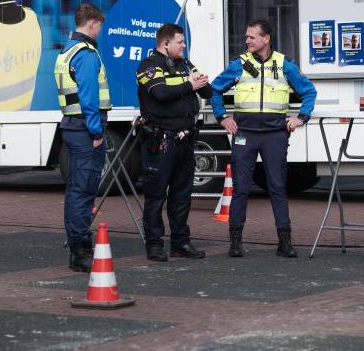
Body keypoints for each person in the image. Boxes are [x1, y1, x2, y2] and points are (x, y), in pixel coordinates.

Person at [210, 19, 317, 258]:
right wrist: (222, 117)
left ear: (266, 38)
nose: (247, 40)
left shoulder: (284, 64)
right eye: (246, 37)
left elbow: (309, 91)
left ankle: (285, 242)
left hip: (274, 135)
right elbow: (214, 90)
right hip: (244, 134)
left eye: (252, 37)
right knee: (240, 188)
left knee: (278, 187)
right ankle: (235, 242)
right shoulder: (239, 64)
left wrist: (301, 117)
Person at [135, 23, 212, 262]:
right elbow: (160, 93)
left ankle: (181, 242)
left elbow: (207, 92)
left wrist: (200, 82)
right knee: (156, 196)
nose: (184, 45)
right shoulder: (149, 66)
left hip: (185, 140)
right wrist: (190, 84)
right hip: (161, 141)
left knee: (182, 195)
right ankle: (155, 245)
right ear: (165, 43)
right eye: (180, 42)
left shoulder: (185, 64)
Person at [54, 4, 111, 272]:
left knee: (77, 189)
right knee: (84, 189)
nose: (101, 30)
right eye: (100, 25)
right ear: (92, 24)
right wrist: (97, 131)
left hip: (73, 127)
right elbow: (89, 97)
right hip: (86, 130)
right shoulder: (86, 54)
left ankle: (77, 244)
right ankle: (79, 251)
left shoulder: (67, 51)